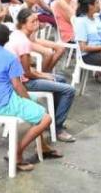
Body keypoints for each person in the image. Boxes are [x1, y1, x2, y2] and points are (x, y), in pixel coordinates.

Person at [0, 23, 54, 171]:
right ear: (6, 41)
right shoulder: (9, 58)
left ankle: (42, 145)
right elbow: (17, 85)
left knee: (36, 103)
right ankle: (16, 153)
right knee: (46, 118)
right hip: (4, 103)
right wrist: (27, 100)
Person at [6, 9, 76, 142]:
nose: (36, 23)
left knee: (60, 79)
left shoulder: (18, 35)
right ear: (22, 24)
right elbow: (27, 73)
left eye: (37, 20)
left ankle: (55, 120)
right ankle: (58, 128)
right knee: (69, 90)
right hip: (22, 83)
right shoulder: (23, 42)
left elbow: (27, 69)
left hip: (21, 78)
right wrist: (43, 76)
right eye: (32, 21)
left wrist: (43, 75)